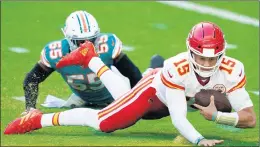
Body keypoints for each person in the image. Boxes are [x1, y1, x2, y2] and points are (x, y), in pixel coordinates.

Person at [5, 21, 256, 146]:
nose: (206, 63)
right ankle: (37, 120)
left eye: (212, 58)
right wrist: (200, 140)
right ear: (190, 51)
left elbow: (249, 118)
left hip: (170, 91)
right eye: (200, 56)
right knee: (104, 121)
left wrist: (217, 118)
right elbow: (178, 118)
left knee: (222, 106)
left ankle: (97, 60)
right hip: (154, 97)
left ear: (223, 54)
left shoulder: (232, 70)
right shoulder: (178, 68)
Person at [22, 10, 143, 114]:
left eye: (91, 40)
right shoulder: (56, 53)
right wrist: (30, 108)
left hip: (117, 94)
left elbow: (133, 74)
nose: (86, 45)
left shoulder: (106, 46)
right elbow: (32, 79)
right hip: (82, 98)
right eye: (80, 41)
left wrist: (138, 102)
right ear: (68, 38)